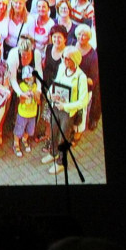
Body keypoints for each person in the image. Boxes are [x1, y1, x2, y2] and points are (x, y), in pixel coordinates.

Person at [42, 46, 89, 175]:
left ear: (75, 60)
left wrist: (66, 106)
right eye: (63, 58)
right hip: (56, 106)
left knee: (63, 137)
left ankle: (61, 162)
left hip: (68, 112)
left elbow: (83, 101)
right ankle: (53, 153)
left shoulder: (81, 77)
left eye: (68, 59)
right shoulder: (62, 67)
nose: (64, 61)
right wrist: (51, 93)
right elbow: (56, 82)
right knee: (53, 131)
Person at [76, 24, 101, 132]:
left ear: (89, 37)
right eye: (80, 34)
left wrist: (79, 77)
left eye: (84, 35)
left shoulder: (93, 56)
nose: (81, 37)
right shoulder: (72, 45)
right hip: (72, 86)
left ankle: (79, 132)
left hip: (84, 89)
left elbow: (93, 80)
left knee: (81, 111)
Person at [12, 65, 40, 157]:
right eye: (26, 78)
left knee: (30, 130)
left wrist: (35, 95)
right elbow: (20, 100)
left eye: (30, 77)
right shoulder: (21, 86)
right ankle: (16, 143)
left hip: (32, 113)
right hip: (23, 113)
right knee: (19, 129)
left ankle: (24, 139)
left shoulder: (36, 86)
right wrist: (25, 95)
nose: (29, 79)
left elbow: (39, 102)